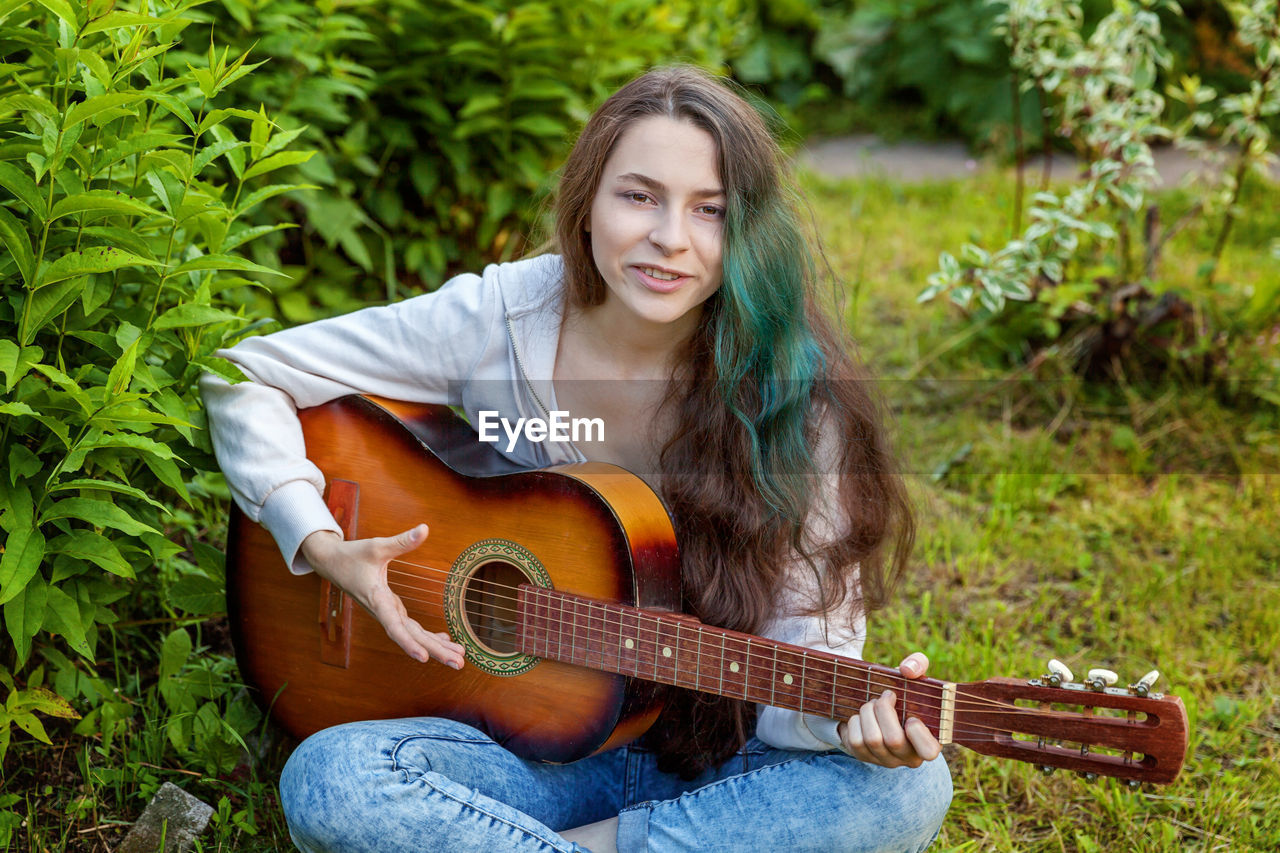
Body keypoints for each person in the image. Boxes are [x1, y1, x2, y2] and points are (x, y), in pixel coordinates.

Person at [202, 65, 952, 853]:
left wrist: (847, 722)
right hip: (524, 750)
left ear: (748, 234)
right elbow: (244, 373)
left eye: (711, 211)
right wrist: (320, 542)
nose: (670, 238)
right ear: (587, 199)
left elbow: (807, 657)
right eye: (639, 195)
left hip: (718, 755)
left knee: (907, 785)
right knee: (333, 776)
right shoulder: (505, 317)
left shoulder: (799, 400)